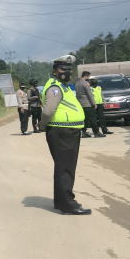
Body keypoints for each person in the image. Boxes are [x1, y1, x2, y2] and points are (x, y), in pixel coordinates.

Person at [41, 55, 92, 215]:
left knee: (63, 167)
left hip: (66, 131)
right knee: (66, 169)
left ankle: (60, 201)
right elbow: (48, 110)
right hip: (62, 132)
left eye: (69, 69)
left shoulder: (64, 86)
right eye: (63, 69)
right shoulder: (55, 88)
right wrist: (43, 125)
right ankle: (68, 204)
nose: (66, 72)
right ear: (55, 71)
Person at [75, 70, 105, 138]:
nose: (89, 78)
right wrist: (94, 103)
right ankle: (96, 133)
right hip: (88, 104)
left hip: (80, 104)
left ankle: (84, 133)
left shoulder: (77, 83)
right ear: (86, 76)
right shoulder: (85, 83)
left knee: (84, 119)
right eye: (88, 76)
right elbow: (89, 94)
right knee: (93, 119)